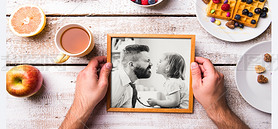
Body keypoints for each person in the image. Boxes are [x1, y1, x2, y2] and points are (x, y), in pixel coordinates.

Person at [60, 56, 249, 129]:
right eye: (149, 61)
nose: (154, 63)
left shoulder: (172, 83)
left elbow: (174, 102)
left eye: (159, 61)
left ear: (168, 68)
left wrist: (157, 103)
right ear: (132, 64)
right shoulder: (119, 83)